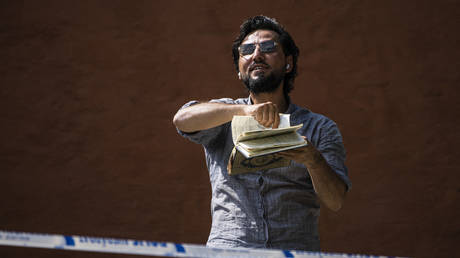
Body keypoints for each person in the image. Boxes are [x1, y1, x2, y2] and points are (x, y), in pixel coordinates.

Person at [173, 15, 351, 251]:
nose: (256, 55)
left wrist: (312, 159)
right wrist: (245, 110)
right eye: (246, 50)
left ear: (288, 63)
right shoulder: (224, 115)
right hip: (230, 250)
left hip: (294, 251)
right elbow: (182, 120)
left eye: (268, 47)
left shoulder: (320, 127)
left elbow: (336, 201)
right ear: (239, 69)